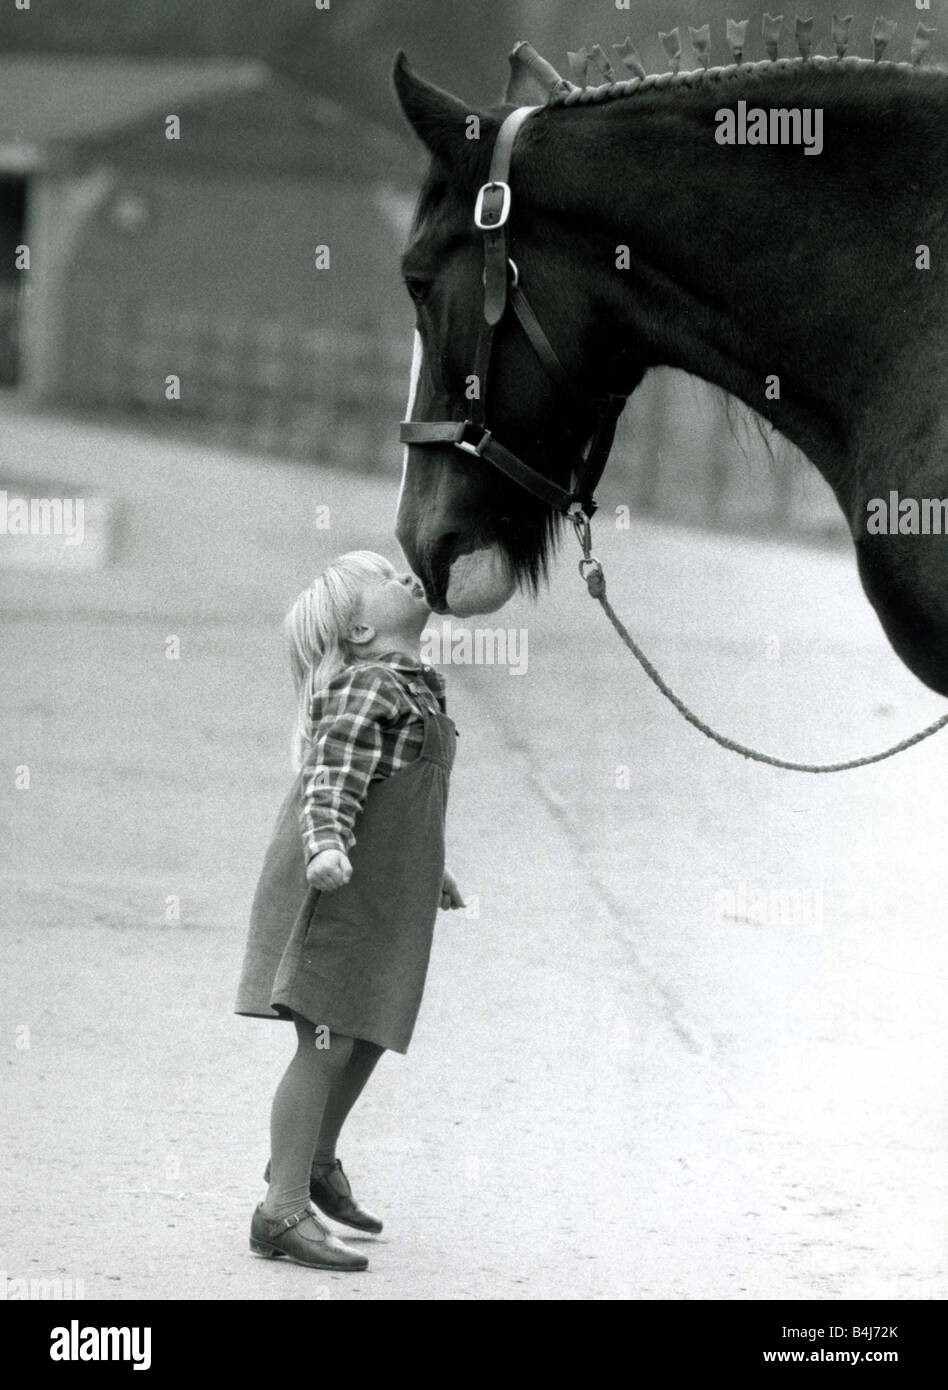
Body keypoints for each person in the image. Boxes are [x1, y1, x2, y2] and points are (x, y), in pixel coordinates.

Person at [234, 550, 465, 1271]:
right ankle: (280, 1208)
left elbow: (399, 798)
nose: (406, 575)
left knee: (369, 1029)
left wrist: (432, 868)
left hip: (385, 890)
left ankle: (314, 1163)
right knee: (327, 1039)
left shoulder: (417, 688)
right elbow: (333, 782)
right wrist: (326, 844)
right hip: (336, 884)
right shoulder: (369, 686)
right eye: (385, 579)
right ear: (360, 632)